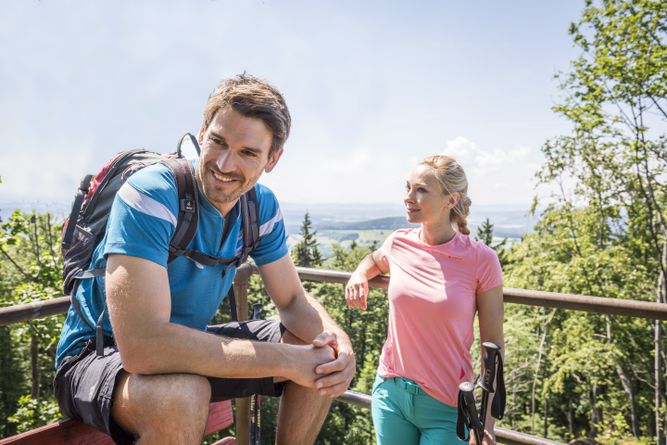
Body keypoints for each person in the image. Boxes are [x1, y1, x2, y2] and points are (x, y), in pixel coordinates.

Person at [54, 74, 355, 445]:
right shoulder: (152, 195)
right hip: (97, 355)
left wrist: (337, 342)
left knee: (319, 352)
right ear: (202, 133)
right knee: (182, 395)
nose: (225, 165)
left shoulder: (260, 208)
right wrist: (287, 361)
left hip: (183, 348)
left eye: (248, 153)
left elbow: (293, 301)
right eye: (218, 142)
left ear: (272, 159)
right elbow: (143, 347)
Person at [345, 155, 504, 444]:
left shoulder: (481, 260)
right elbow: (375, 260)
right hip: (391, 394)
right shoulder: (398, 242)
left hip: (448, 406)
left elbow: (493, 348)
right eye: (408, 188)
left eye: (421, 190)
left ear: (450, 199)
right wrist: (359, 273)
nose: (409, 198)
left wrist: (487, 423)